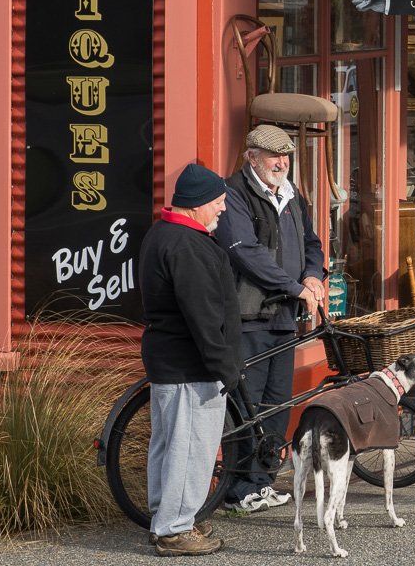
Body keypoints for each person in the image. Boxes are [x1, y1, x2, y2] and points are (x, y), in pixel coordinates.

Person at [216, 124, 327, 512]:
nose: (282, 163)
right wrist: (296, 288)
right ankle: (238, 489)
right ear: (251, 157)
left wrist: (313, 275)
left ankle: (262, 483)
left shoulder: (292, 195)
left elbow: (312, 243)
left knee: (277, 404)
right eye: (273, 157)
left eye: (286, 156)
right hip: (249, 317)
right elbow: (246, 253)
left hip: (283, 317)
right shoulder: (234, 194)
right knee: (247, 407)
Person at [138, 161, 242, 557]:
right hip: (190, 363)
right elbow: (203, 315)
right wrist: (225, 366)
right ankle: (174, 528)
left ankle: (165, 518)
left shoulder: (163, 234)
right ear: (197, 204)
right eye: (217, 202)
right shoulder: (187, 245)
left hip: (170, 359)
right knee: (190, 445)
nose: (222, 209)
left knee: (168, 444)